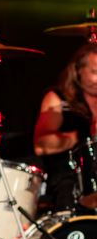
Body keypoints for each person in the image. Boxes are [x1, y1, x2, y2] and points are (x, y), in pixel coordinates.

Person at [34, 42, 97, 211]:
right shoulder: (59, 98)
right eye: (94, 72)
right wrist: (85, 134)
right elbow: (41, 145)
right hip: (69, 180)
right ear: (78, 71)